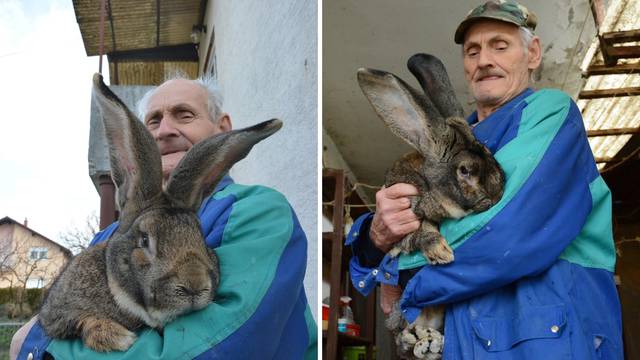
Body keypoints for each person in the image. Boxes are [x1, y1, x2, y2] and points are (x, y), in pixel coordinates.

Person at [346, 1, 623, 358]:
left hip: (549, 341)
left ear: (533, 53)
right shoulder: (452, 142)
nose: (484, 60)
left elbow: (505, 228)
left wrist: (397, 271)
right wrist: (377, 234)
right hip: (468, 341)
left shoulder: (549, 113)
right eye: (473, 51)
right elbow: (400, 222)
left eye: (500, 45)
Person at [11, 76, 317, 359]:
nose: (165, 130)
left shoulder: (257, 212)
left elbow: (212, 348)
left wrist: (34, 346)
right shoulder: (108, 237)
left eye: (184, 114)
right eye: (153, 120)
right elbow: (62, 309)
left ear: (222, 129)